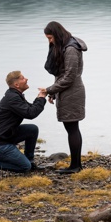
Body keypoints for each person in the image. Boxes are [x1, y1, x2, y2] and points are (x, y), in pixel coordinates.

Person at [0, 71, 47, 178]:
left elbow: (30, 109)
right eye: (22, 78)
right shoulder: (13, 98)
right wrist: (41, 98)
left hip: (5, 136)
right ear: (16, 84)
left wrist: (40, 97)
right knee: (25, 167)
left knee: (32, 129)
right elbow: (31, 114)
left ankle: (30, 161)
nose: (26, 79)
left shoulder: (15, 95)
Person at [43, 21, 88, 174]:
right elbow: (62, 75)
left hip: (72, 92)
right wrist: (54, 93)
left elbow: (69, 77)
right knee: (72, 129)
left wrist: (49, 89)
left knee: (72, 129)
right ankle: (76, 164)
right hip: (67, 92)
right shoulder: (65, 46)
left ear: (57, 34)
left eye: (50, 38)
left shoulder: (70, 49)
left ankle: (75, 166)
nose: (50, 41)